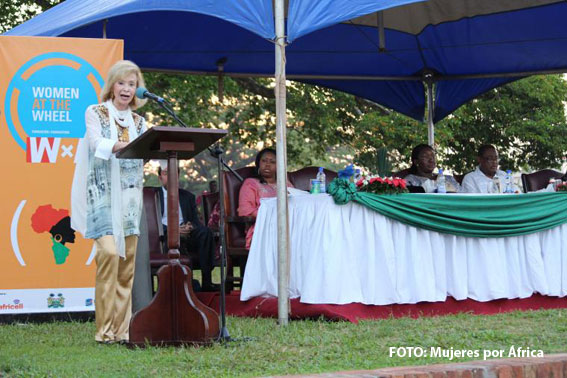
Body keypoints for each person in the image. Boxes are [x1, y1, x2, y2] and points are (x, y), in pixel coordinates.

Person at [71, 60, 147, 344]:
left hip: (129, 199)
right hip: (102, 195)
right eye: (122, 83)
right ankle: (103, 332)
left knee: (126, 268)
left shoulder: (140, 122)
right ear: (112, 85)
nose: (127, 89)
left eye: (132, 84)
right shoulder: (96, 112)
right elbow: (96, 143)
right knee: (109, 256)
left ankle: (122, 331)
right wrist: (125, 146)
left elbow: (145, 154)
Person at [156, 162, 218, 291]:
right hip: (166, 234)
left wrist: (190, 226)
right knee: (173, 238)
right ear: (160, 177)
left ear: (178, 176)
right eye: (166, 173)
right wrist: (173, 230)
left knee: (205, 232)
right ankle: (184, 282)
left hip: (186, 232)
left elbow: (195, 221)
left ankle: (207, 281)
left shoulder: (187, 196)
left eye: (174, 173)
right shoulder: (154, 196)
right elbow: (152, 222)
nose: (171, 177)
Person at [238, 148, 293, 248]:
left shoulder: (285, 184)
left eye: (272, 162)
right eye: (264, 161)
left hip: (288, 226)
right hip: (262, 228)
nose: (267, 165)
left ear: (278, 166)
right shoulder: (250, 183)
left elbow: (295, 203)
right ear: (258, 163)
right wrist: (272, 215)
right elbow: (245, 211)